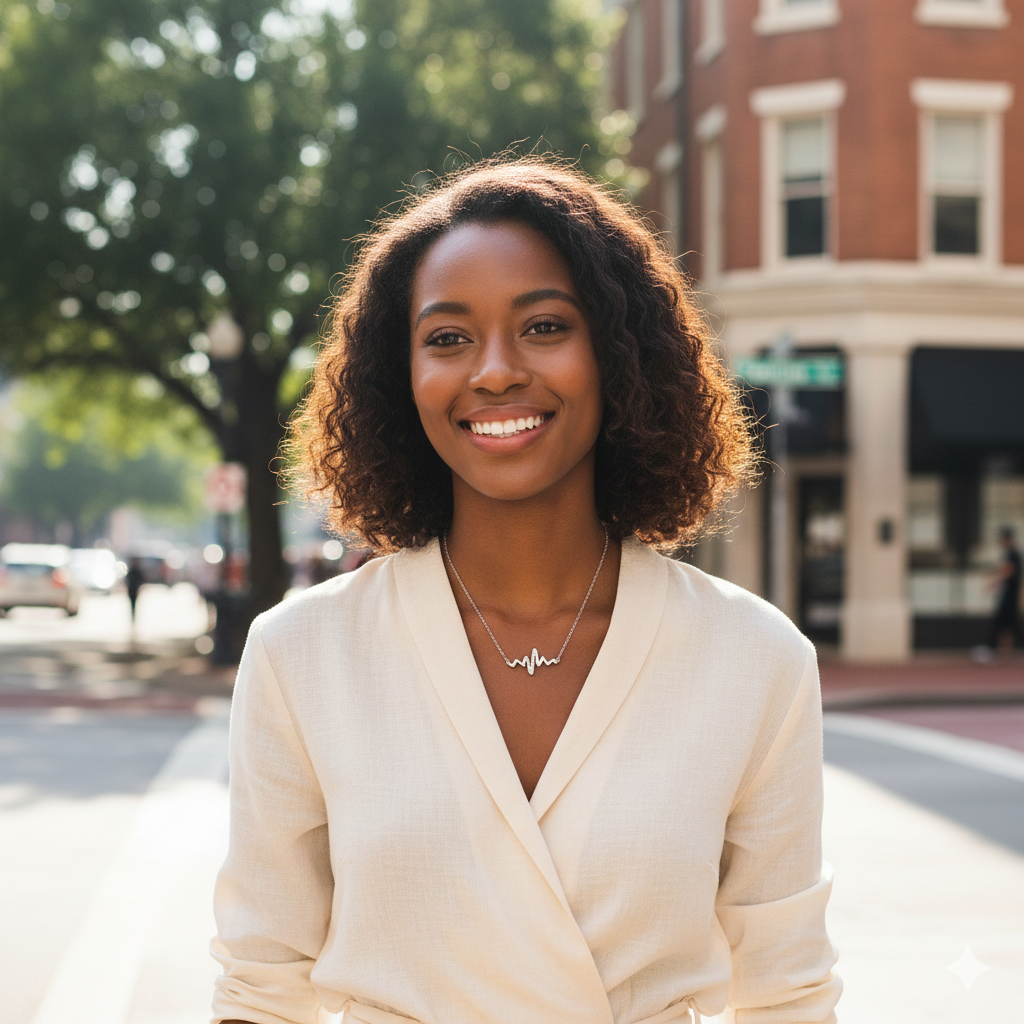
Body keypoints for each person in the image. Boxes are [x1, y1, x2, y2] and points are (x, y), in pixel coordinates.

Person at [211, 157, 841, 1024]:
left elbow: (787, 993)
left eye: (545, 326)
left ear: (618, 355)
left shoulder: (757, 659)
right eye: (447, 337)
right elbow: (262, 986)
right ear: (401, 379)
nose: (496, 371)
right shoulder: (301, 656)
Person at [988, 526, 1022, 654]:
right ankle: (1002, 650)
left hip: (1010, 594)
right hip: (1007, 594)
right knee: (1008, 623)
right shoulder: (1009, 554)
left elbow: (1009, 571)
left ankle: (992, 648)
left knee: (1004, 621)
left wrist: (994, 581)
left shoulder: (1013, 554)